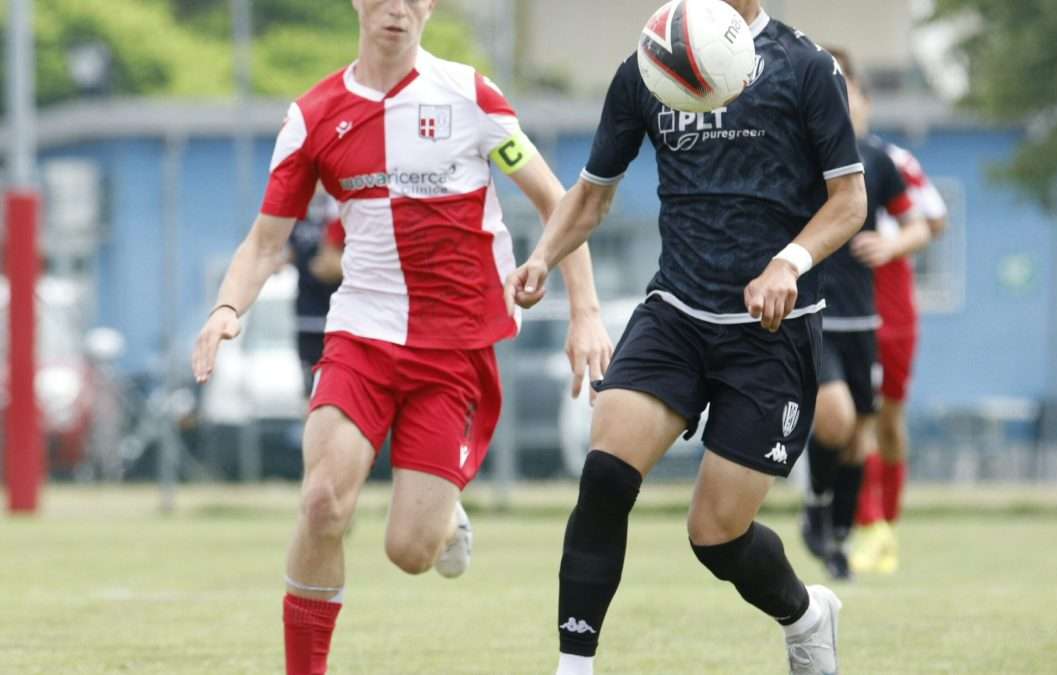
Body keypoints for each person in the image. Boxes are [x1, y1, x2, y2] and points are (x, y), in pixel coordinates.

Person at [191, 1, 612, 673]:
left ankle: (444, 516)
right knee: (323, 500)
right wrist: (225, 307)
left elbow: (558, 203)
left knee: (411, 551)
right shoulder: (314, 116)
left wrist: (585, 310)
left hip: (454, 350)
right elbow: (266, 240)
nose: (398, 7)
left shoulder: (470, 97)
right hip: (362, 333)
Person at [504, 2, 867, 673]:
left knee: (715, 534)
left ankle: (807, 613)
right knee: (606, 470)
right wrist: (542, 257)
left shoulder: (806, 67)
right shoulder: (648, 64)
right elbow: (590, 193)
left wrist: (788, 261)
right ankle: (574, 664)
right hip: (676, 310)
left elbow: (848, 201)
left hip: (770, 333)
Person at [799, 48, 930, 580]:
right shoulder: (798, 153)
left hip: (865, 320)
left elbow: (917, 224)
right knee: (836, 418)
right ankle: (816, 502)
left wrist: (893, 245)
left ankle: (839, 537)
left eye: (844, 87)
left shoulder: (876, 159)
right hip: (816, 313)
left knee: (861, 437)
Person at [851, 143, 949, 575]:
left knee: (889, 420)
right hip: (844, 300)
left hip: (893, 303)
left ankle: (888, 524)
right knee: (858, 418)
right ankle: (868, 527)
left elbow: (935, 221)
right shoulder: (812, 149)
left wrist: (891, 242)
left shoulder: (894, 160)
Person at [287, 190, 345, 395]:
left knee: (341, 391)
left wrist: (336, 265)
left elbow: (334, 263)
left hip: (343, 318)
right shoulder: (297, 207)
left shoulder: (344, 204)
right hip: (307, 316)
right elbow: (284, 252)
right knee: (311, 392)